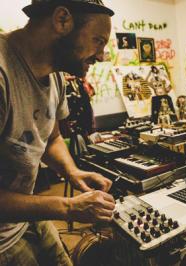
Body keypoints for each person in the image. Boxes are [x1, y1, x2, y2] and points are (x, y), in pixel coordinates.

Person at [0, 1, 115, 265]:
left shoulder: (55, 77)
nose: (101, 56)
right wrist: (68, 207)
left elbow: (50, 138)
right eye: (98, 41)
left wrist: (72, 172)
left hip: (28, 217)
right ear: (62, 20)